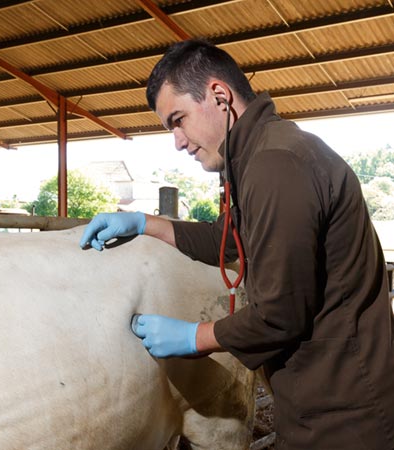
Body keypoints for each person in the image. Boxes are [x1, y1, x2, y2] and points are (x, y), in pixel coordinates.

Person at [80, 40, 394, 449]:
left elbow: (281, 313)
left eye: (179, 120)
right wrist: (144, 223)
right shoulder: (257, 157)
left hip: (345, 406)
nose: (176, 141)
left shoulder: (276, 163)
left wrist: (195, 337)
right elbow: (225, 240)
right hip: (319, 391)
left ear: (219, 96)